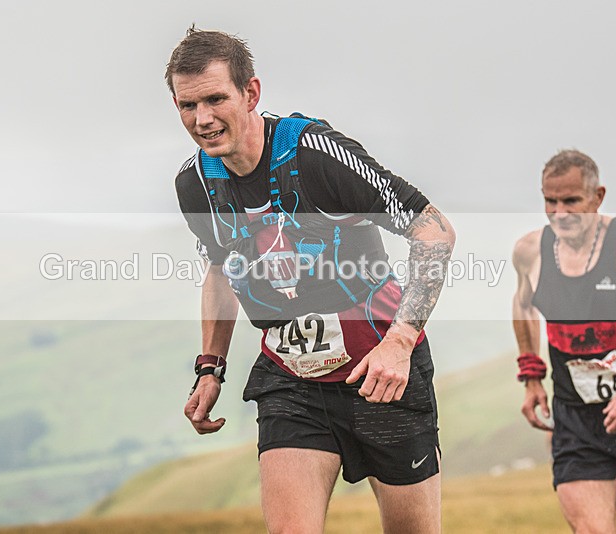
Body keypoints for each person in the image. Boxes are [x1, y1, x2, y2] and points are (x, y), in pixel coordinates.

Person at [166, 27, 454, 533]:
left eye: (215, 99)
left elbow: (434, 231)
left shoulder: (314, 155)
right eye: (187, 105)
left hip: (381, 374)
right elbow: (220, 268)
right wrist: (210, 368)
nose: (202, 119)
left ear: (251, 92)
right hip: (291, 379)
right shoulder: (195, 185)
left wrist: (401, 342)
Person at [512, 149, 616, 533]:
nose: (559, 212)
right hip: (576, 420)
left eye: (571, 201)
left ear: (597, 197)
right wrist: (532, 375)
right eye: (550, 201)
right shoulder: (529, 251)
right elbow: (523, 306)